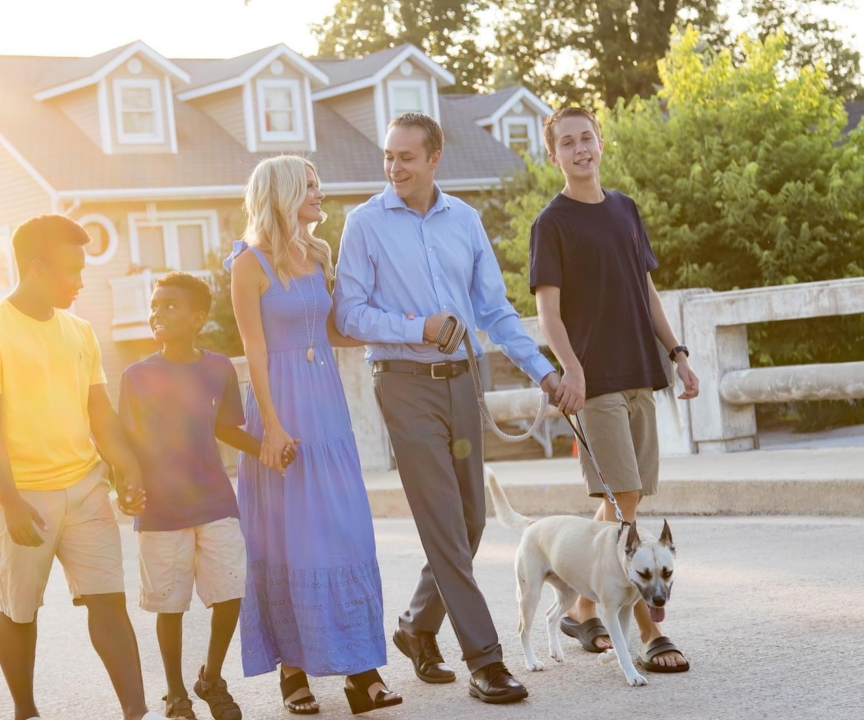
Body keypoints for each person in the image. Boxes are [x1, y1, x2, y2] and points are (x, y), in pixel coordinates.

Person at [333, 113, 562, 705]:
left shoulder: (465, 219)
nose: (394, 167)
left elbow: (495, 310)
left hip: (463, 381)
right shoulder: (363, 224)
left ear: (436, 159)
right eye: (388, 156)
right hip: (404, 384)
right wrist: (418, 328)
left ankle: (415, 627)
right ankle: (485, 659)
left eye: (407, 157)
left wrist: (544, 372)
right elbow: (349, 315)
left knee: (471, 522)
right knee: (442, 522)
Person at [0, 213, 156, 720]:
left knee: (108, 600)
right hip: (22, 495)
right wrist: (10, 503)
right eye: (71, 271)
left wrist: (126, 467)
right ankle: (25, 711)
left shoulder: (81, 331)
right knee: (19, 611)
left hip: (84, 486)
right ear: (35, 267)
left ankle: (137, 712)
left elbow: (100, 413)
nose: (80, 282)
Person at [226, 155, 401, 716]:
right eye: (309, 187)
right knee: (287, 538)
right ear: (281, 194)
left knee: (341, 532)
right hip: (279, 405)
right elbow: (253, 350)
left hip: (326, 407)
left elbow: (331, 327)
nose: (319, 195)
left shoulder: (318, 255)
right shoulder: (247, 264)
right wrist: (271, 426)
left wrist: (405, 332)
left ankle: (359, 669)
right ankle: (293, 672)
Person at [529, 106, 700, 673]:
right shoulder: (551, 223)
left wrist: (677, 355)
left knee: (623, 499)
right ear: (553, 156)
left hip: (640, 375)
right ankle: (651, 632)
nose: (580, 149)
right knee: (625, 506)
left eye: (587, 138)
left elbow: (647, 290)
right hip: (595, 383)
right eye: (567, 143)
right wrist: (571, 370)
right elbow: (546, 312)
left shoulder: (625, 209)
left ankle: (582, 605)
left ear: (601, 142)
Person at [119, 272, 296, 720]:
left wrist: (268, 450)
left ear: (198, 319)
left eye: (171, 306)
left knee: (230, 592)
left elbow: (225, 429)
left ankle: (211, 677)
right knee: (170, 603)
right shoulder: (136, 376)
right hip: (160, 510)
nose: (158, 313)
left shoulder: (218, 368)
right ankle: (177, 694)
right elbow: (124, 446)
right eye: (155, 305)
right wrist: (124, 488)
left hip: (215, 500)